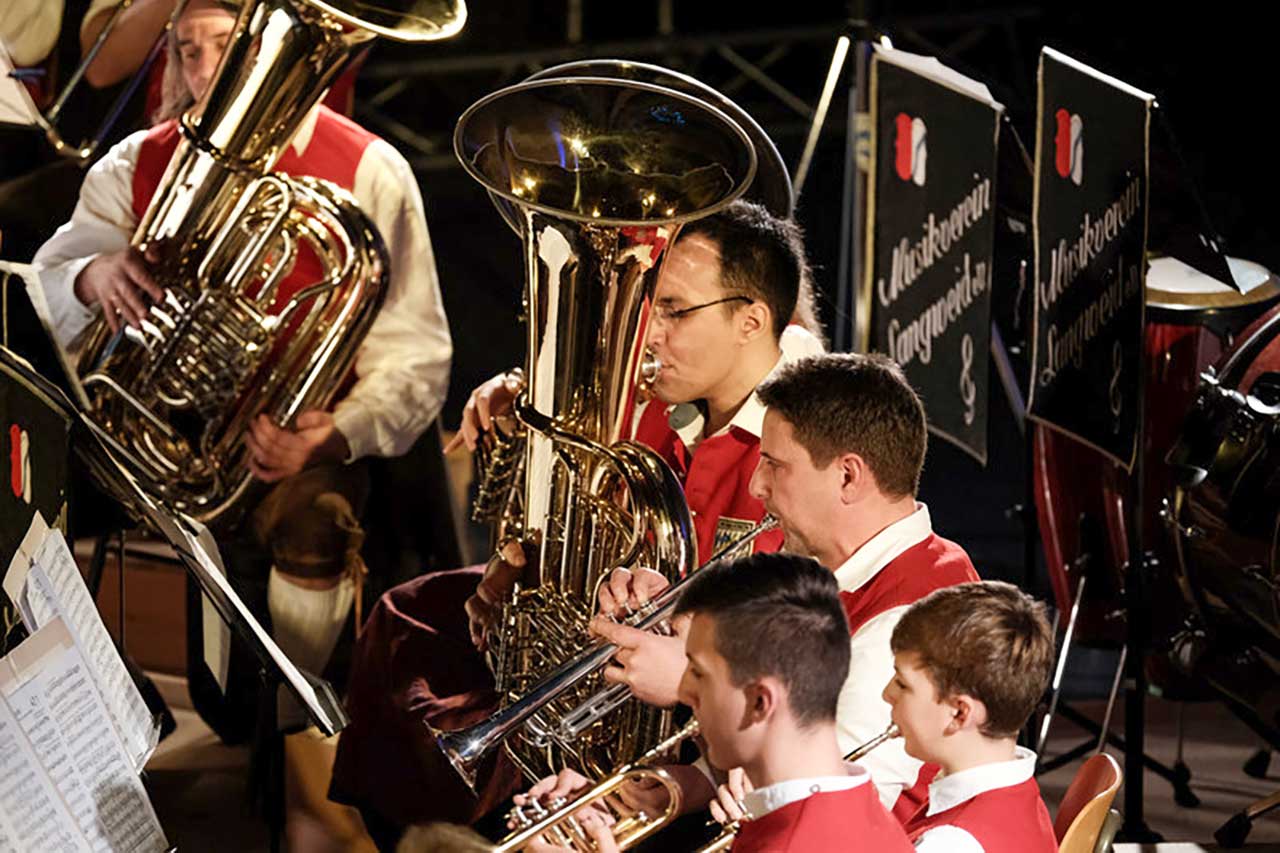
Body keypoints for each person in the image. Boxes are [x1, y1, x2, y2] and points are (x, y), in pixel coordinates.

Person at [32, 0, 449, 847]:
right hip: (155, 430)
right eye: (185, 50)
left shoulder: (370, 167)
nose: (202, 67)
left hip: (293, 439)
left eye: (224, 45)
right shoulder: (136, 161)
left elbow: (418, 357)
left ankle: (288, 734)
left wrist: (330, 433)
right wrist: (94, 276)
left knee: (314, 517)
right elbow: (49, 275)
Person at [330, 200, 824, 848]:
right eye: (654, 305)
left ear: (751, 321)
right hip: (614, 652)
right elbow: (580, 508)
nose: (651, 332)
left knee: (483, 758)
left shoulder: (802, 450)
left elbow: (791, 652)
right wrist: (528, 410)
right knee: (406, 625)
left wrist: (679, 659)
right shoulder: (675, 395)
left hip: (692, 707)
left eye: (675, 311)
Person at [591, 352, 980, 820]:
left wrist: (694, 684)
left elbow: (824, 805)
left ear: (848, 476)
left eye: (775, 464)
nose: (757, 486)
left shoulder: (910, 616)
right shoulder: (822, 573)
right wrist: (682, 785)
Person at [511, 553, 915, 853]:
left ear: (760, 701)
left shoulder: (798, 843)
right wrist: (608, 815)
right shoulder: (837, 808)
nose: (684, 692)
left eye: (699, 673)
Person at [885, 581, 1057, 852]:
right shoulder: (1016, 789)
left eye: (902, 684)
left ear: (959, 713)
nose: (887, 694)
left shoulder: (949, 844)